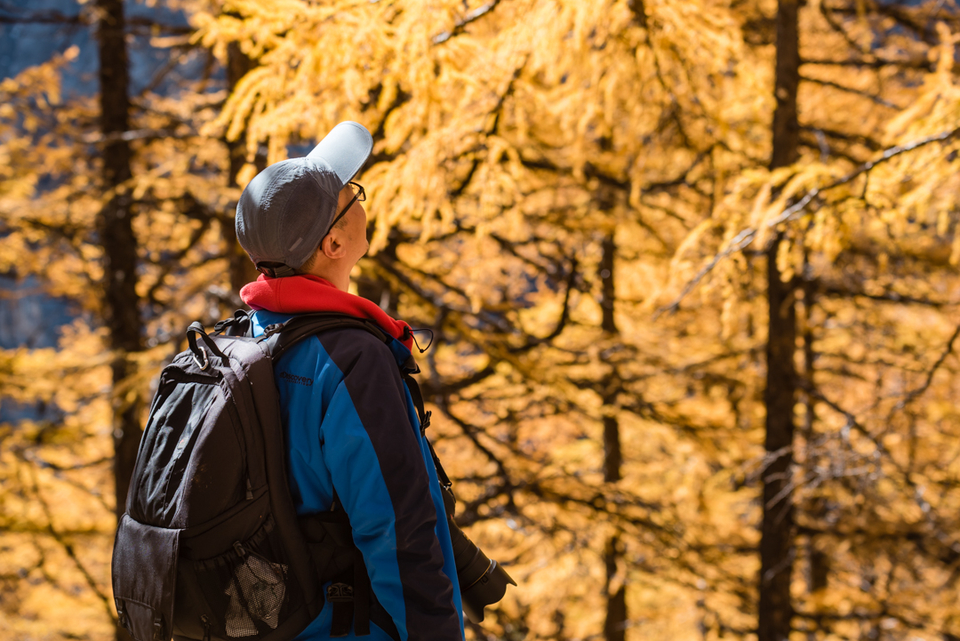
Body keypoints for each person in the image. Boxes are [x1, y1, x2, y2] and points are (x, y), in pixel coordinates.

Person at [234, 121, 465, 641]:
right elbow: (398, 531)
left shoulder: (249, 339)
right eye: (350, 194)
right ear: (335, 242)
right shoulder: (352, 359)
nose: (360, 197)